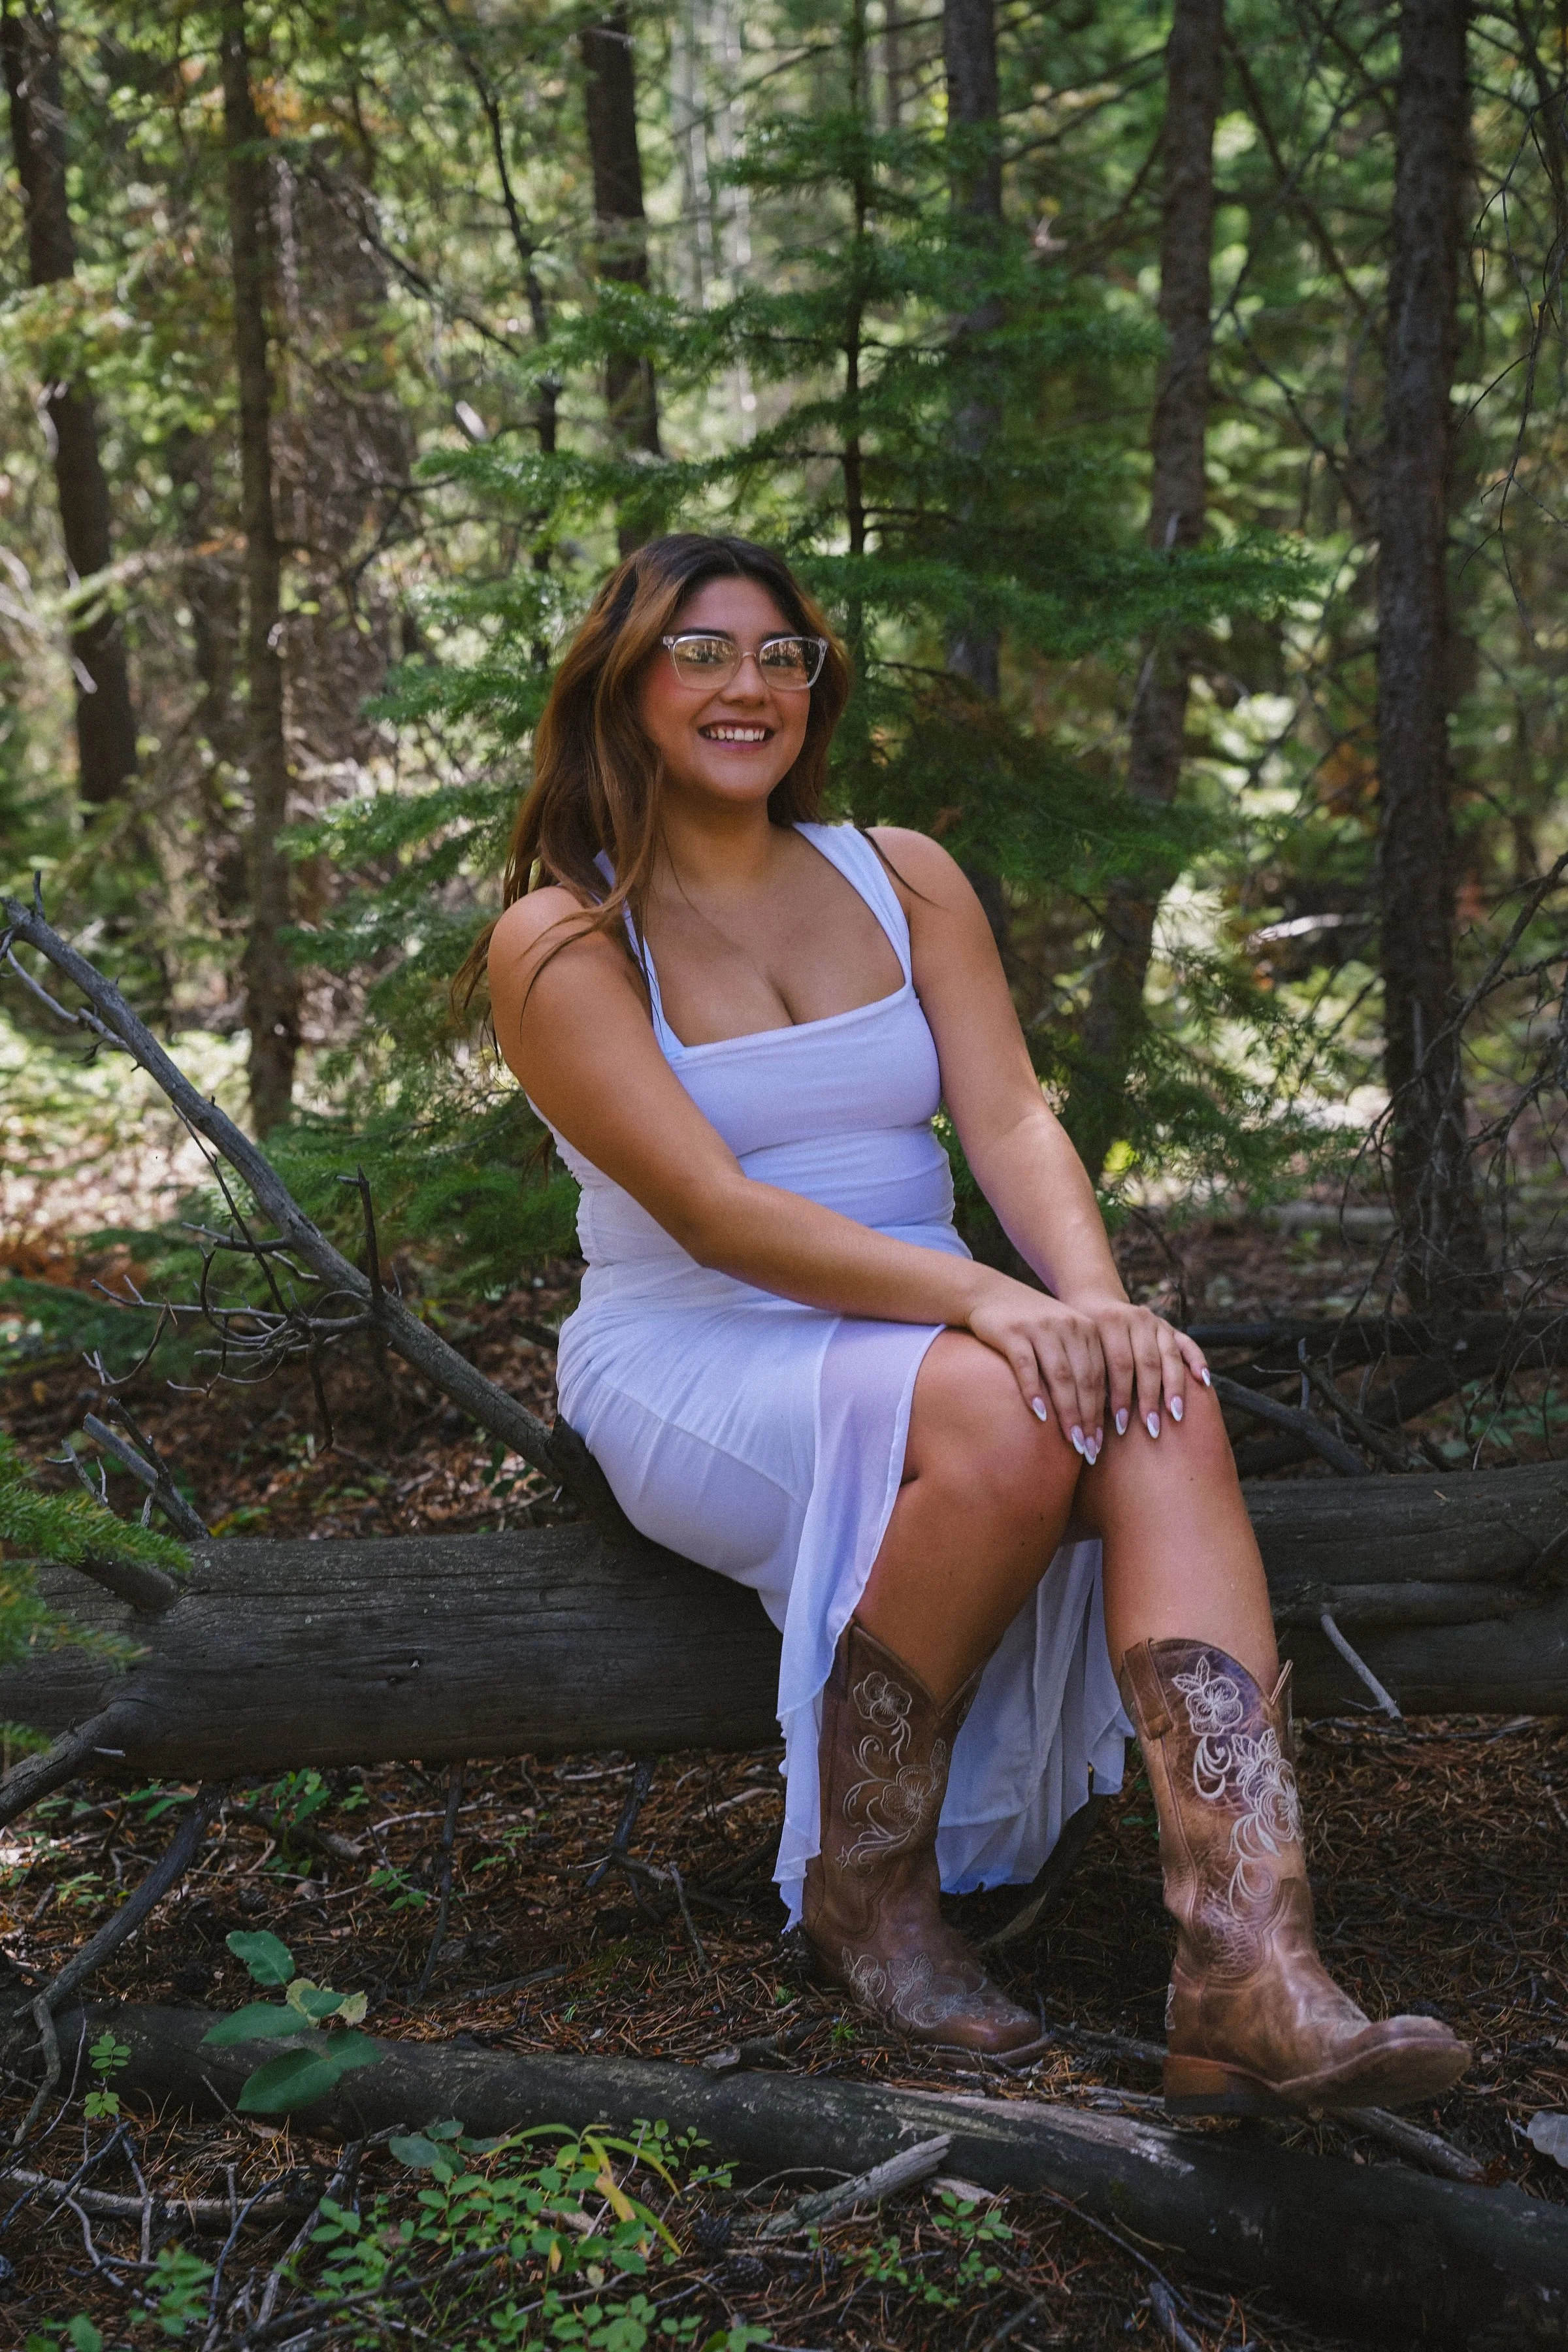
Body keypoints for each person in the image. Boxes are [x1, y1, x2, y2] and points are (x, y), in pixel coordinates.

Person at [474, 531, 1467, 2117]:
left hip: (942, 1337)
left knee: (1157, 1401)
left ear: (817, 685)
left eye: (781, 656)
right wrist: (1001, 1308)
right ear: (627, 685)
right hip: (699, 1351)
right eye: (702, 653)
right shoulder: (564, 937)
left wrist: (1097, 1309)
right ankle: (868, 1891)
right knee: (1009, 1405)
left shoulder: (904, 873)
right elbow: (720, 1216)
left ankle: (1248, 1970)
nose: (750, 686)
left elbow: (1009, 1121)